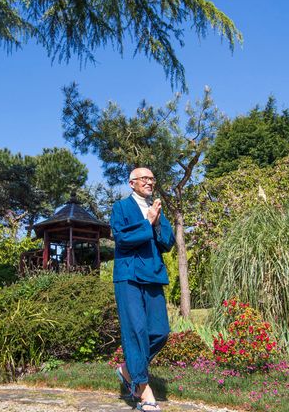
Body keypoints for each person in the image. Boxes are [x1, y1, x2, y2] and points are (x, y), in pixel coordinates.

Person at [110, 167, 175, 412]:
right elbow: (122, 239)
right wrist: (147, 221)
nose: (149, 182)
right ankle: (143, 389)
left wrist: (157, 223)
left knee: (160, 331)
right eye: (144, 179)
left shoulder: (157, 208)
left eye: (151, 178)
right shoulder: (121, 207)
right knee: (136, 330)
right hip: (128, 276)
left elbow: (166, 243)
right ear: (132, 183)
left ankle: (128, 370)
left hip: (153, 274)